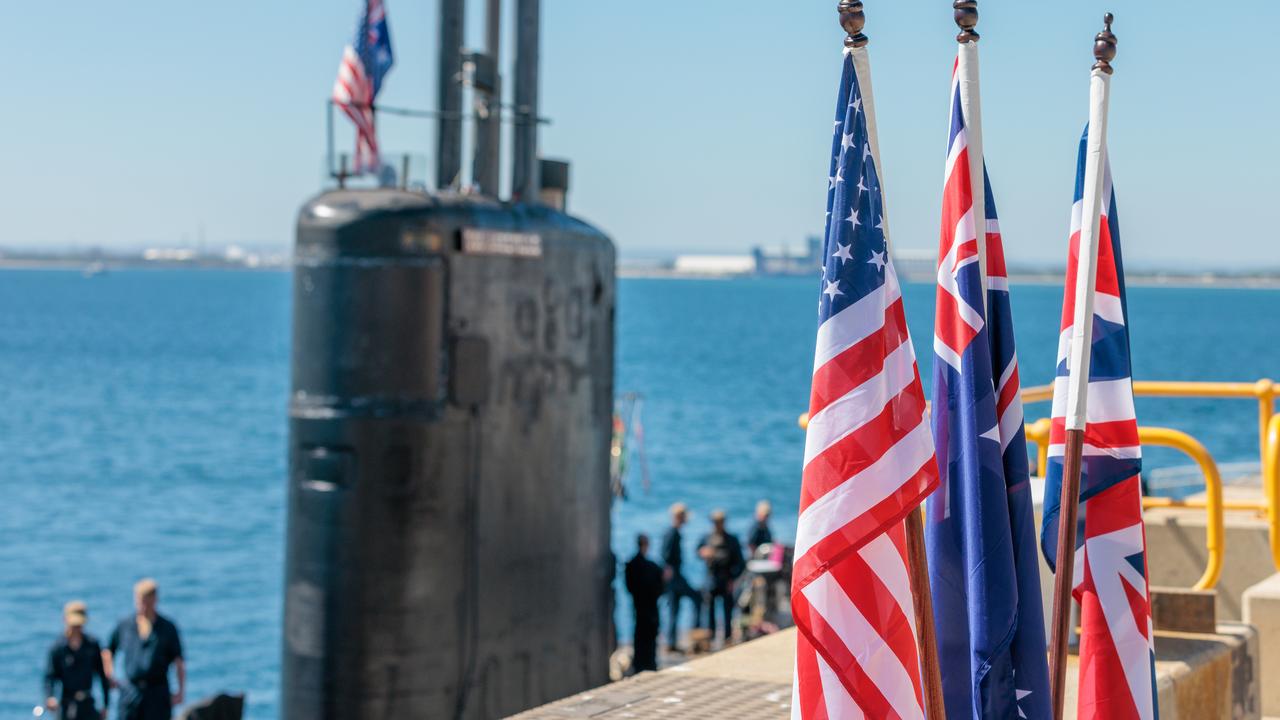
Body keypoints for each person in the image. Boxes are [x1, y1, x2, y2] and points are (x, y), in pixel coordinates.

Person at [103, 579, 185, 720]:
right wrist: (109, 674)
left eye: (147, 601)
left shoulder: (167, 627)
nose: (143, 606)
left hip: (157, 692)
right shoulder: (125, 625)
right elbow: (108, 651)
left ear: (155, 600)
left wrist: (180, 691)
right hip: (131, 691)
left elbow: (178, 661)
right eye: (141, 601)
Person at [44, 601, 110, 720]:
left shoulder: (92, 645)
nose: (76, 629)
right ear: (65, 620)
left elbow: (102, 676)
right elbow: (50, 677)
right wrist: (50, 697)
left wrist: (106, 704)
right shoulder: (58, 648)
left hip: (88, 705)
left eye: (79, 625)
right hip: (66, 705)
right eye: (73, 625)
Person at [698, 509, 745, 645]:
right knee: (709, 610)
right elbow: (698, 550)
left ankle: (727, 637)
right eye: (715, 522)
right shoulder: (706, 538)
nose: (717, 525)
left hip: (726, 579)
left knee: (727, 610)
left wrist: (733, 579)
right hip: (711, 578)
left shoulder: (732, 540)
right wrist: (703, 553)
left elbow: (740, 563)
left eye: (719, 522)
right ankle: (710, 637)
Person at [660, 502, 701, 652]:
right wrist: (669, 569)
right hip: (674, 577)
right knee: (696, 598)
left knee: (674, 609)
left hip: (675, 577)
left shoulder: (673, 532)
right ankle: (694, 634)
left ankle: (671, 642)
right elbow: (665, 554)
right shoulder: (672, 533)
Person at [623, 534, 664, 672]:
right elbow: (659, 588)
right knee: (650, 636)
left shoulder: (631, 564)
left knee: (639, 635)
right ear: (646, 545)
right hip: (650, 606)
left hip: (638, 605)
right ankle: (650, 665)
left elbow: (629, 587)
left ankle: (639, 664)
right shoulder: (652, 567)